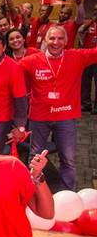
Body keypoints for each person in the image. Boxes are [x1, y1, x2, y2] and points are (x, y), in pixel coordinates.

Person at [18, 26, 97, 190]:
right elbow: (10, 70)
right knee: (35, 157)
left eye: (60, 38)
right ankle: (32, 191)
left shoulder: (76, 57)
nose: (56, 42)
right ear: (45, 40)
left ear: (66, 41)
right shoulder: (32, 61)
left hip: (65, 117)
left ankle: (67, 193)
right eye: (52, 38)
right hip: (39, 117)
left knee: (68, 160)